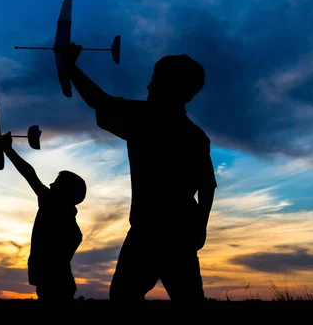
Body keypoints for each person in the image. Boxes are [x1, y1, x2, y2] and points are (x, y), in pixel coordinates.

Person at [60, 43, 217, 303]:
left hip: (149, 232)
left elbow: (99, 101)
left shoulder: (148, 119)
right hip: (180, 231)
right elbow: (207, 187)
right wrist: (200, 226)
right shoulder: (195, 135)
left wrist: (70, 67)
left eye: (155, 81)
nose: (148, 87)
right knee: (187, 300)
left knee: (125, 297)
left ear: (171, 87)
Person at [0, 131, 86, 302]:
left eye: (56, 183)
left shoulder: (53, 207)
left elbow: (30, 175)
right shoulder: (66, 218)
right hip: (58, 283)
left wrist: (8, 150)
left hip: (55, 285)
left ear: (64, 192)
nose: (51, 184)